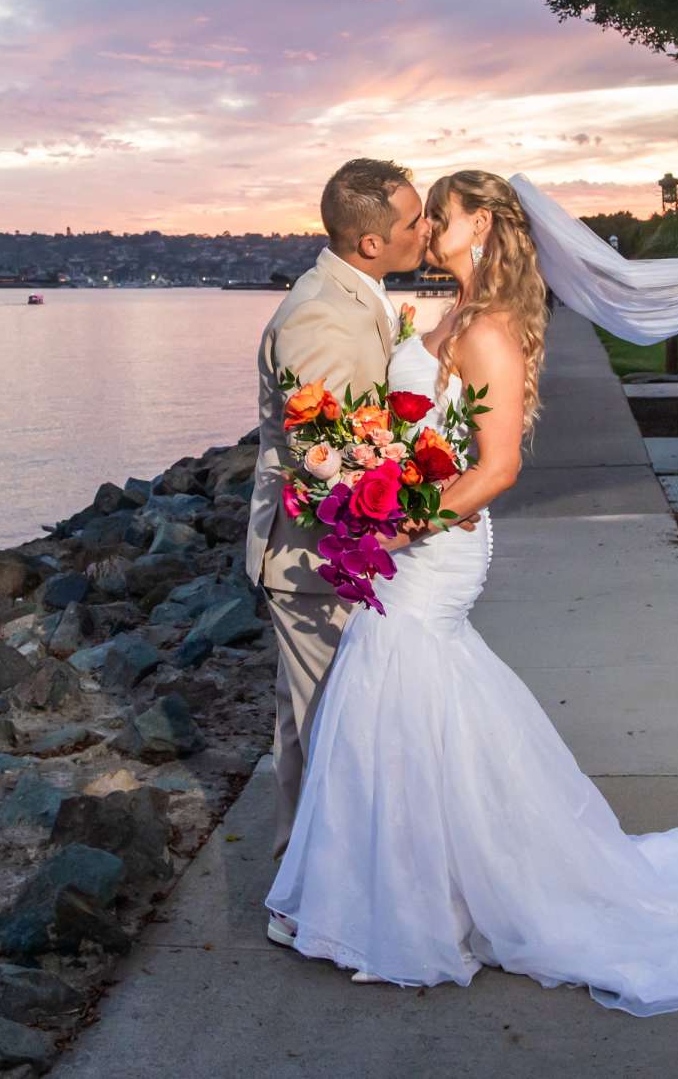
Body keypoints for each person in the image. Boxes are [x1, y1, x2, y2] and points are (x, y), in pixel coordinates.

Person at [265, 170, 678, 1014]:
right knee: (402, 708)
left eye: (437, 216)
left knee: (400, 693)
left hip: (435, 544)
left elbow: (501, 465)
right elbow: (399, 429)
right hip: (410, 535)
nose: (428, 229)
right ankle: (423, 892)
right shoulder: (446, 316)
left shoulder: (487, 331)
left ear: (479, 224)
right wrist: (379, 493)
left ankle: (417, 905)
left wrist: (403, 523)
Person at [246, 159, 427, 874]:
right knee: (332, 732)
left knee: (310, 730)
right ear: (373, 242)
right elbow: (321, 453)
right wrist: (420, 511)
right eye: (414, 220)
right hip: (318, 560)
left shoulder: (358, 294)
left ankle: (304, 884)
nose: (426, 229)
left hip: (339, 559)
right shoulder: (322, 312)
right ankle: (323, 892)